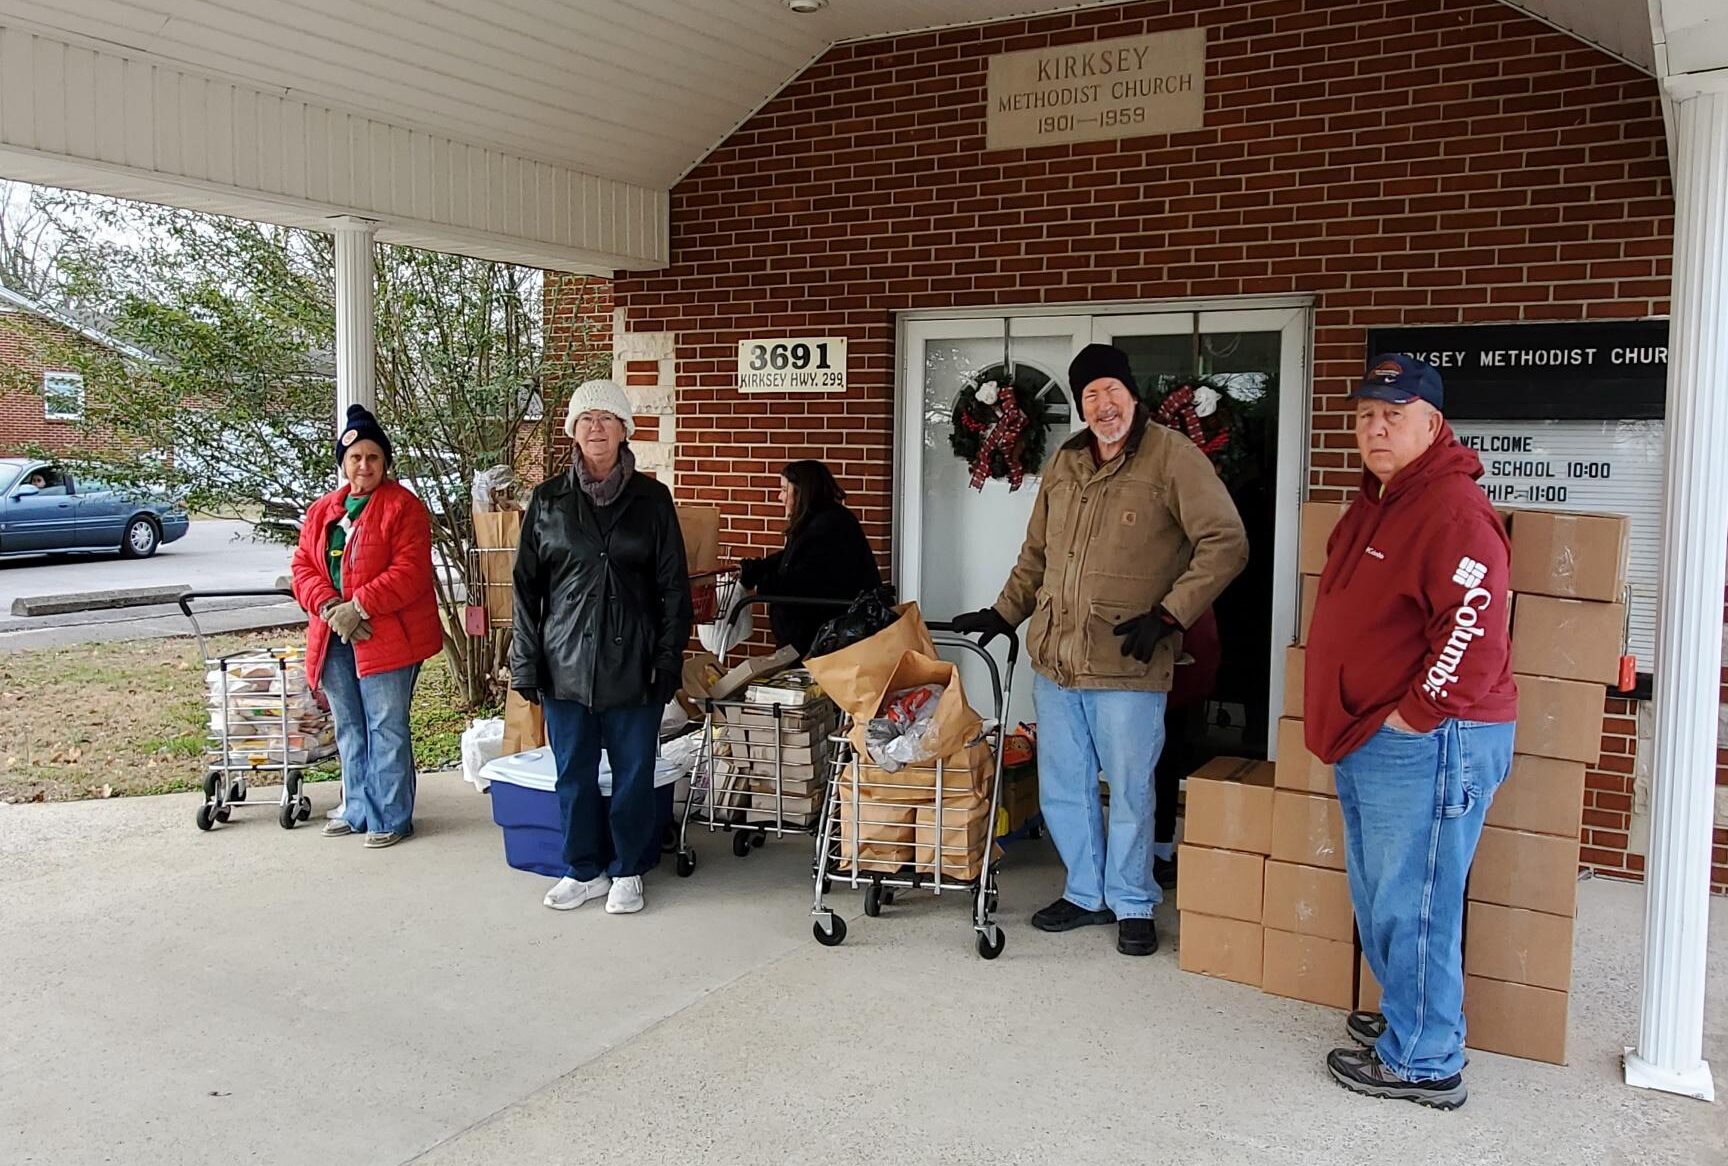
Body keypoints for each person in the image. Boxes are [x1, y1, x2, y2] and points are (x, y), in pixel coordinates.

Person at [953, 344, 1248, 957]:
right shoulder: (1065, 461)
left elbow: (1225, 542)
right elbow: (1037, 553)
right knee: (1065, 785)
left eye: (1111, 389)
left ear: (1132, 393)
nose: (1103, 404)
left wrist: (1170, 614)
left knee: (1132, 789)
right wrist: (1005, 613)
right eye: (1090, 395)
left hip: (1127, 660)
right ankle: (1086, 893)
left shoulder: (1173, 455)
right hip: (1057, 660)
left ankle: (1133, 901)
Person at [1306, 354, 1517, 1111]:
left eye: (1394, 416)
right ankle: (1409, 1017)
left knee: (1415, 900)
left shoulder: (1452, 511)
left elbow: (1472, 630)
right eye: (1366, 414)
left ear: (1432, 424)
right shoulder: (1381, 500)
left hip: (1426, 739)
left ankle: (1426, 1059)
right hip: (1374, 737)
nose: (1376, 428)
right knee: (1384, 896)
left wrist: (1412, 718)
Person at [511, 379, 692, 916]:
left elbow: (674, 588)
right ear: (573, 430)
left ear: (623, 430)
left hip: (635, 663)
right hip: (565, 664)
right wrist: (525, 662)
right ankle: (582, 868)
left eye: (607, 419)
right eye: (586, 419)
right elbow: (525, 589)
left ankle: (629, 869)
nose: (596, 428)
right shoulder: (547, 501)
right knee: (573, 773)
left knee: (634, 773)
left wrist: (668, 660)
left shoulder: (653, 501)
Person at [290, 403, 442, 849]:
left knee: (385, 726)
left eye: (373, 457)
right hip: (333, 633)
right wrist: (330, 606)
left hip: (387, 635)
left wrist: (360, 607)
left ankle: (390, 815)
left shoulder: (403, 508)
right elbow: (302, 567)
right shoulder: (323, 511)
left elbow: (410, 571)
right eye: (355, 457)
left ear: (385, 462)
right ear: (343, 462)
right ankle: (356, 807)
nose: (364, 465)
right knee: (349, 726)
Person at [738, 460, 882, 656]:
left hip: (823, 644)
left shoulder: (828, 526)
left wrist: (761, 583)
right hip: (815, 639)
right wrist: (759, 567)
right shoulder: (821, 520)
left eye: (784, 490)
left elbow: (803, 581)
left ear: (801, 492)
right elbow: (792, 557)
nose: (779, 497)